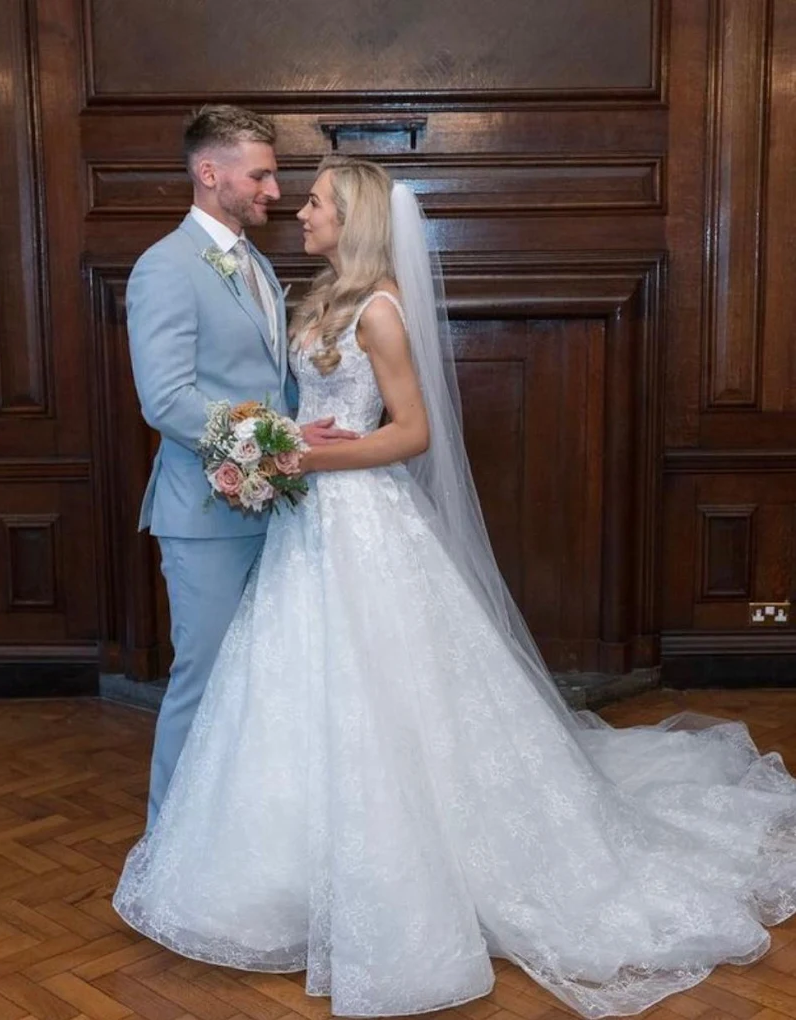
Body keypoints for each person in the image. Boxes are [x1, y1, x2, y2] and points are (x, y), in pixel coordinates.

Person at [115, 156, 796, 1018]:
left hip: (361, 522)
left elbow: (411, 434)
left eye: (317, 201)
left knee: (388, 699)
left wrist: (309, 454)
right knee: (293, 692)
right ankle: (286, 867)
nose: (300, 210)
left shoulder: (383, 311)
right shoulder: (316, 296)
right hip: (307, 528)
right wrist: (285, 445)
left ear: (352, 217)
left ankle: (410, 867)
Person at [126, 107, 354, 828]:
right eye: (260, 173)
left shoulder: (253, 260)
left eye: (274, 173)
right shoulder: (164, 267)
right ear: (209, 173)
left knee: (261, 684)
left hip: (273, 510)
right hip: (206, 514)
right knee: (205, 681)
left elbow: (265, 383)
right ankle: (170, 844)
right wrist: (278, 442)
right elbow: (167, 401)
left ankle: (240, 837)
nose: (275, 189)